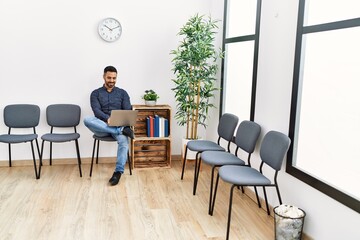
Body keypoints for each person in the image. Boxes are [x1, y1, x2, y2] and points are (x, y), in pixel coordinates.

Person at [84, 66, 134, 186]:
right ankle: (120, 130)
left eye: (114, 78)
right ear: (104, 77)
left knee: (124, 142)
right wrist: (108, 119)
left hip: (119, 124)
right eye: (109, 78)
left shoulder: (123, 93)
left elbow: (127, 110)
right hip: (102, 128)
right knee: (87, 119)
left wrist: (119, 121)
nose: (111, 80)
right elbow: (96, 111)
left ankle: (118, 172)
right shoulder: (95, 93)